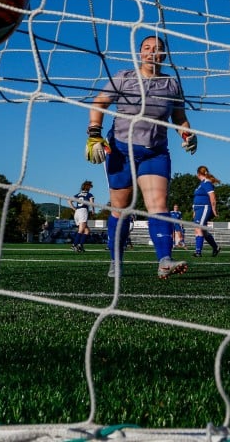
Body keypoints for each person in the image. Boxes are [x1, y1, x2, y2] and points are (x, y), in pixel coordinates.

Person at [86, 34, 195, 279]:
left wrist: (187, 134)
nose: (151, 52)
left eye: (157, 49)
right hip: (122, 151)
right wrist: (94, 133)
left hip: (155, 152)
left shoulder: (171, 84)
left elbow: (179, 118)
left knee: (158, 204)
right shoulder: (124, 78)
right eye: (146, 48)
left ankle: (165, 260)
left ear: (164, 55)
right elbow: (99, 103)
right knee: (121, 208)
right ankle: (116, 261)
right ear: (139, 53)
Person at [191, 165, 220, 257]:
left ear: (198, 174)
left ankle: (198, 252)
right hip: (198, 209)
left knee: (198, 228)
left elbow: (212, 197)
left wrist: (214, 210)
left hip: (204, 208)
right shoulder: (201, 184)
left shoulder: (207, 183)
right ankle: (216, 247)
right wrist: (194, 211)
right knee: (202, 231)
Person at [68, 180, 94, 252]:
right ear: (88, 188)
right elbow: (92, 202)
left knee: (87, 231)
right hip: (83, 211)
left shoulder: (78, 194)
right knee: (81, 230)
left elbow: (69, 201)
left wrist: (74, 208)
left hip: (77, 212)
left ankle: (80, 245)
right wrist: (93, 210)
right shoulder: (89, 195)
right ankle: (74, 245)